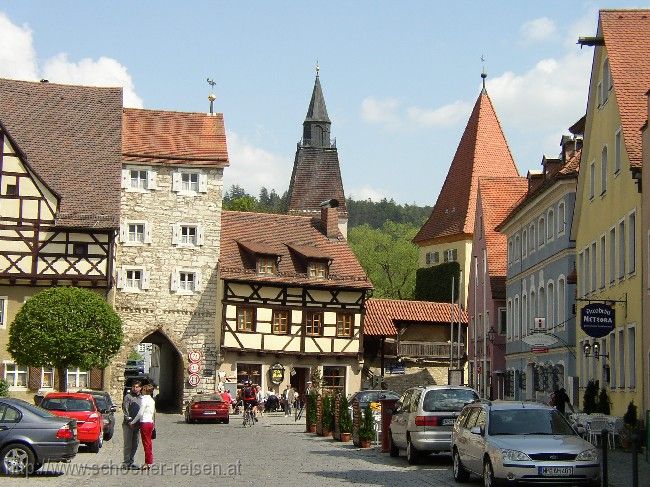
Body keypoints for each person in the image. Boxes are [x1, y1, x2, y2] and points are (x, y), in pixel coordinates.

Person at [130, 383, 156, 470]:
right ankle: (149, 461)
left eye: (143, 389)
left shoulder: (144, 400)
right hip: (150, 422)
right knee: (149, 443)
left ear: (145, 390)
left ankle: (147, 462)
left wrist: (133, 422)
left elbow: (140, 413)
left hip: (144, 423)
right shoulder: (152, 400)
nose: (141, 391)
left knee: (146, 443)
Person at [122, 380, 142, 469]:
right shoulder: (128, 397)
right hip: (128, 424)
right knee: (128, 444)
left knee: (135, 444)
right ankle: (126, 462)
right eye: (133, 387)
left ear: (140, 388)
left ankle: (131, 461)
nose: (135, 388)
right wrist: (129, 421)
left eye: (137, 387)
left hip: (137, 425)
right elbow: (125, 410)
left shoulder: (142, 398)